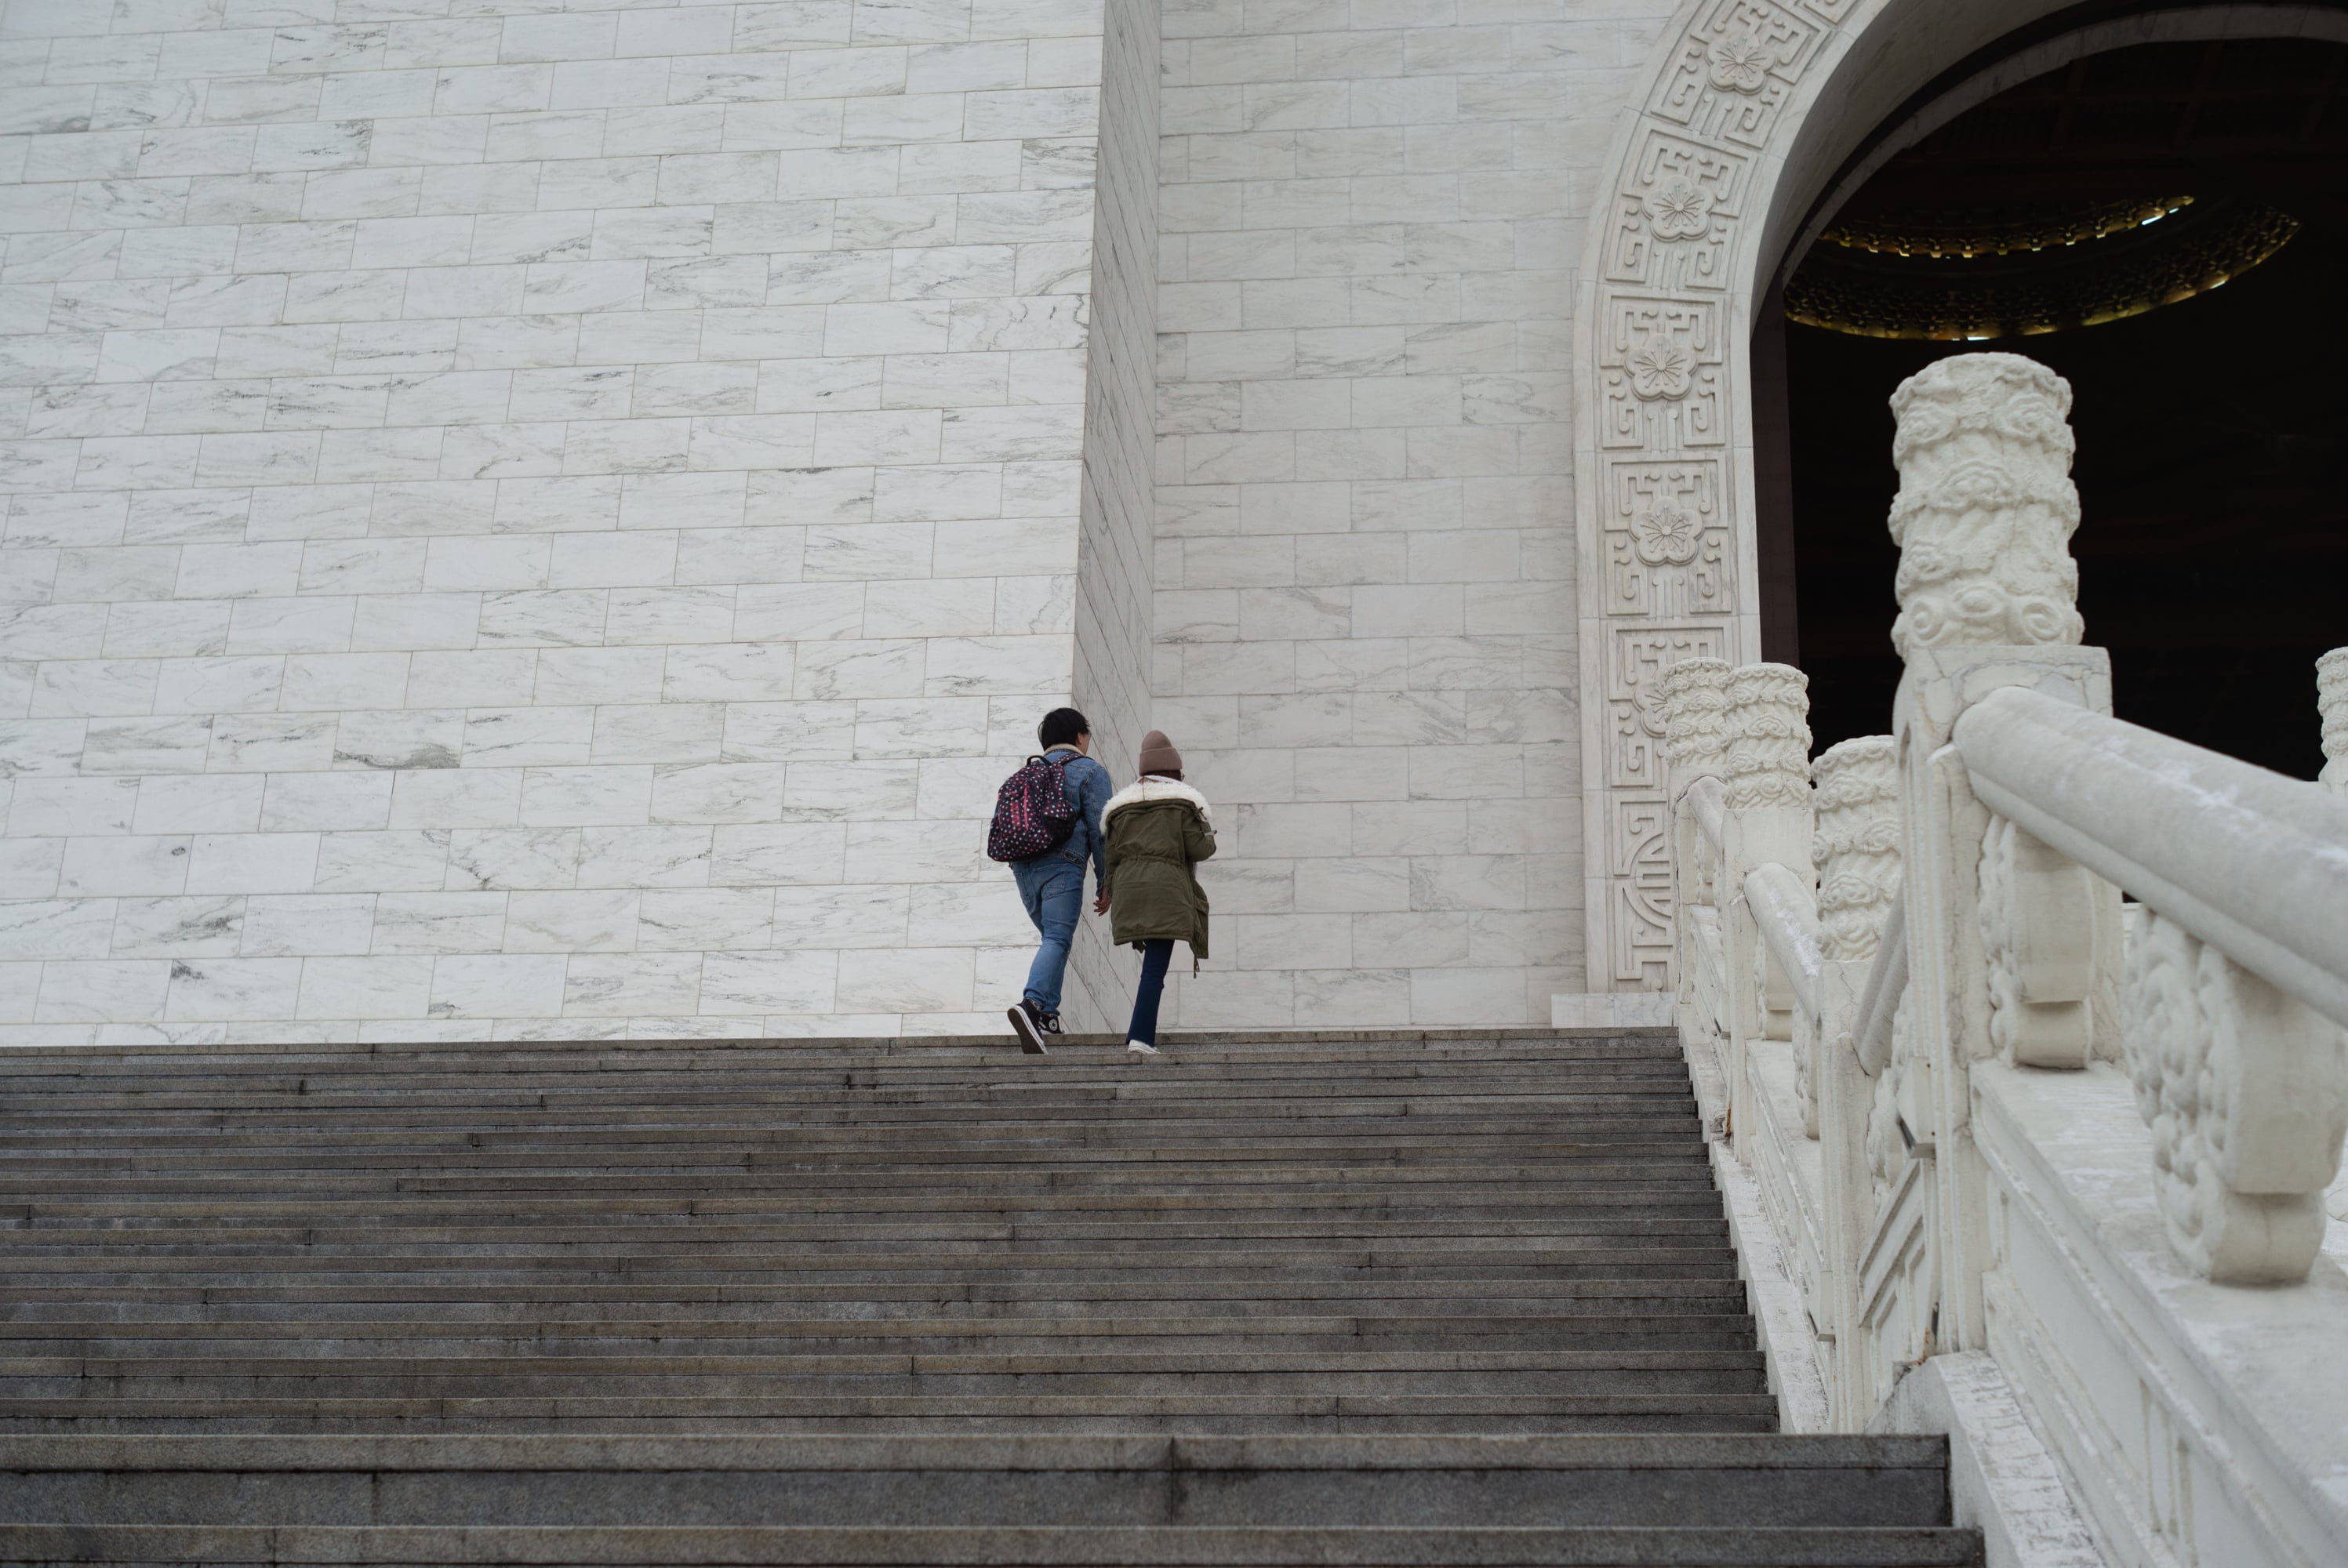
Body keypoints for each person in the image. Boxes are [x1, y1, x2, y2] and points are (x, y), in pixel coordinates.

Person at [1100, 730, 1215, 1057]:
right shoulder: (1182, 804)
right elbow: (1200, 848)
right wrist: (1208, 831)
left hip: (1129, 891)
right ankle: (1140, 1037)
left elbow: (1111, 857)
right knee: (1155, 968)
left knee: (1152, 963)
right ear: (1172, 773)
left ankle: (1139, 1034)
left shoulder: (1119, 809)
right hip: (1164, 891)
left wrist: (1107, 892)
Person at [1006, 707, 1112, 1054]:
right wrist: (1105, 880)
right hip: (1062, 866)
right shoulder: (1089, 770)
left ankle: (1048, 1017)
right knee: (1056, 938)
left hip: (1023, 868)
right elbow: (1102, 832)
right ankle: (1032, 1004)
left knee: (1054, 940)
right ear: (1080, 737)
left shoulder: (1025, 775)